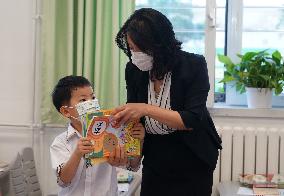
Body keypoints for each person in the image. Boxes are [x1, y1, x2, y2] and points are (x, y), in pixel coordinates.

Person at [113, 8, 222, 196]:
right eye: (131, 48)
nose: (135, 54)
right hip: (156, 156)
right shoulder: (133, 70)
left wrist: (146, 109)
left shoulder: (193, 65)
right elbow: (135, 117)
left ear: (159, 44)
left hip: (192, 158)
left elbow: (192, 120)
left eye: (140, 48)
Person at [50, 75, 144, 196]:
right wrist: (77, 153)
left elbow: (133, 166)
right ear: (66, 111)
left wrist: (138, 141)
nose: (91, 103)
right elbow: (63, 180)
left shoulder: (112, 132)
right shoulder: (61, 142)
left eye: (93, 98)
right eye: (83, 100)